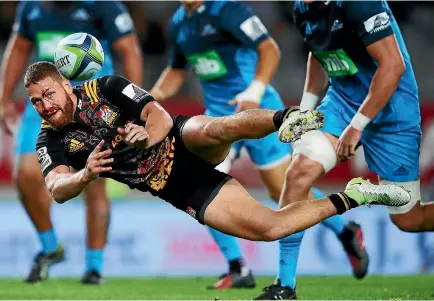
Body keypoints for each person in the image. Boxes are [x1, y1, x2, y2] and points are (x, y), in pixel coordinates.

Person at [25, 63, 409, 289]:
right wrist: (85, 175)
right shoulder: (50, 139)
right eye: (35, 102)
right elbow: (57, 187)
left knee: (216, 129)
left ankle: (288, 118)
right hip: (173, 183)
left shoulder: (104, 87)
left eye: (47, 94)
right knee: (270, 228)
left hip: (176, 137)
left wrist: (147, 138)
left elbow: (156, 115)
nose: (44, 106)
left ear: (64, 83)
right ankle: (355, 196)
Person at [150, 0, 368, 291]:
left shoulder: (228, 10)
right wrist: (149, 99)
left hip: (258, 112)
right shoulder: (179, 22)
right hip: (216, 120)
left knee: (283, 190)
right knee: (195, 181)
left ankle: (344, 231)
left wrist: (254, 91)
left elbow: (269, 49)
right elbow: (176, 70)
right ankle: (237, 266)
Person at [255, 0, 428, 298]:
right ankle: (285, 285)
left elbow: (393, 65)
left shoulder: (360, 3)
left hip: (392, 110)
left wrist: (357, 126)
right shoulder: (301, 9)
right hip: (342, 102)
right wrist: (305, 113)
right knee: (299, 173)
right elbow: (318, 54)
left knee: (407, 219)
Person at [0, 1, 143, 284]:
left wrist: (134, 106)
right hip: (44, 101)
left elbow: (129, 49)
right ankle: (51, 248)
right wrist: (4, 98)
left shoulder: (104, 6)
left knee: (95, 180)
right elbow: (18, 47)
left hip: (94, 100)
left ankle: (94, 267)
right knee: (27, 174)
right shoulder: (31, 7)